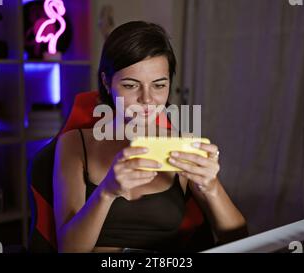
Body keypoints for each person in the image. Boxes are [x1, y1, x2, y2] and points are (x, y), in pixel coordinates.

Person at [53, 21, 247, 253]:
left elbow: (239, 239)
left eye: (159, 85)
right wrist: (106, 192)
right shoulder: (76, 143)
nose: (147, 99)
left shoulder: (181, 143)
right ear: (106, 81)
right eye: (131, 85)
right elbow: (69, 250)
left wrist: (211, 186)